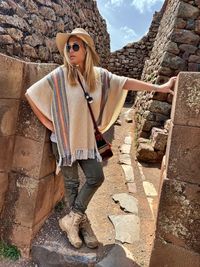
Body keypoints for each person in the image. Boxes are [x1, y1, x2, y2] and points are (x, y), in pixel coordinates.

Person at [25, 28, 176, 249]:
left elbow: (126, 83)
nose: (70, 50)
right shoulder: (60, 75)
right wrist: (49, 124)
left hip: (86, 141)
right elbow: (31, 94)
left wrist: (158, 87)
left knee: (96, 177)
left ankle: (72, 219)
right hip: (64, 141)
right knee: (72, 183)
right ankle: (80, 224)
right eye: (68, 47)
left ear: (86, 49)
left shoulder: (100, 76)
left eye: (75, 46)